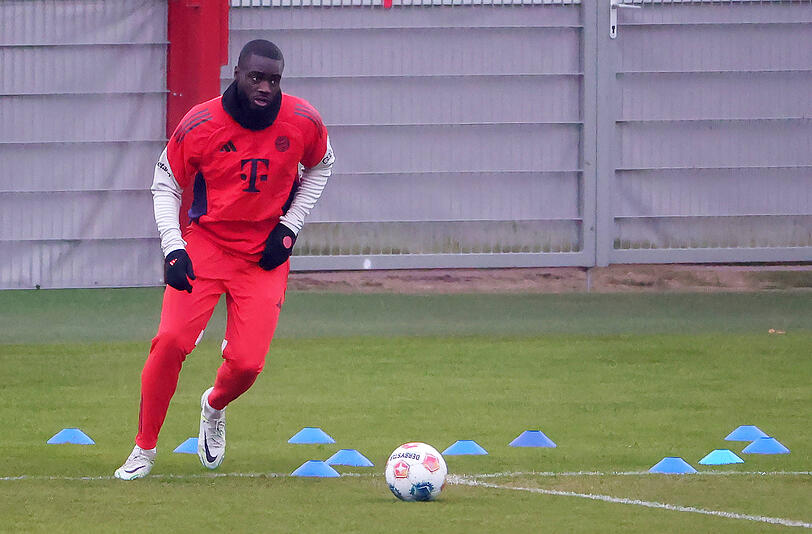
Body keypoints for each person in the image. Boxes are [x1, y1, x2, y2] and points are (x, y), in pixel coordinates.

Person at [115, 39, 334, 480]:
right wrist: (173, 246)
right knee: (172, 341)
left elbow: (323, 166)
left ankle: (213, 406)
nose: (265, 87)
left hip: (263, 255)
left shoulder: (304, 119)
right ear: (236, 73)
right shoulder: (201, 122)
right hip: (208, 244)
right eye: (256, 77)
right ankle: (143, 448)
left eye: (274, 79)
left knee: (249, 364)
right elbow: (165, 182)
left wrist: (289, 227)